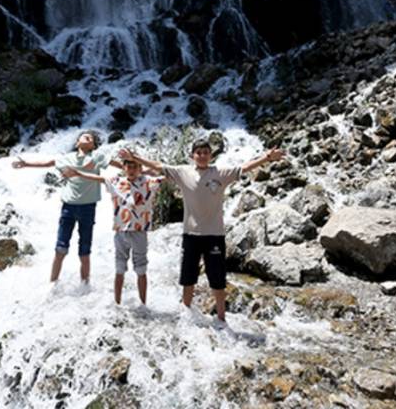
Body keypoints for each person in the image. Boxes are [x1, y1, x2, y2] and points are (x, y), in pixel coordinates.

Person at [120, 139, 285, 325]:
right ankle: (186, 316)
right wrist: (135, 158)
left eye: (206, 152)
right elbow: (158, 166)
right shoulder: (183, 172)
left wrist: (267, 157)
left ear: (211, 155)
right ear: (192, 156)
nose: (202, 156)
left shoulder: (220, 173)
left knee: (217, 279)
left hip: (215, 235)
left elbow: (245, 167)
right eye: (198, 152)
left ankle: (222, 319)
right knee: (188, 277)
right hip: (191, 235)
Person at [12, 130, 120, 283]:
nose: (88, 136)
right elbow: (49, 163)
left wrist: (134, 166)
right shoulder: (67, 158)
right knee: (60, 249)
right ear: (77, 143)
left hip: (88, 208)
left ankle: (85, 286)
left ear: (93, 146)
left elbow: (117, 164)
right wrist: (26, 164)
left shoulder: (97, 156)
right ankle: (52, 284)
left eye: (91, 138)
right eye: (85, 136)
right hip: (68, 208)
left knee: (84, 251)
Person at [64, 158, 162, 305]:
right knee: (119, 269)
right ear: (123, 168)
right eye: (128, 166)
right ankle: (117, 303)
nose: (131, 170)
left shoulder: (148, 182)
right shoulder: (116, 182)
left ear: (140, 169)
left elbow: (165, 173)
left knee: (141, 269)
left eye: (135, 167)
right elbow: (99, 178)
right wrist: (78, 173)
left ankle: (143, 304)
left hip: (139, 231)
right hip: (120, 231)